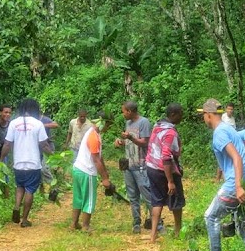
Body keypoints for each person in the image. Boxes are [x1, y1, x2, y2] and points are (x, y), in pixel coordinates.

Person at [195, 98, 245, 251]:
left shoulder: (220, 133)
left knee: (211, 217)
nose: (203, 119)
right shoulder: (227, 129)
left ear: (209, 115)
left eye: (203, 116)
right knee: (243, 224)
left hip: (237, 182)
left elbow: (236, 158)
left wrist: (238, 187)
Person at [0, 98, 52, 227]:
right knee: (30, 190)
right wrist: (54, 156)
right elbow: (44, 145)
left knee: (20, 187)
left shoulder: (13, 123)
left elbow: (7, 144)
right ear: (34, 109)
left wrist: (1, 160)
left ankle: (17, 206)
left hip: (18, 163)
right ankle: (24, 219)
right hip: (33, 163)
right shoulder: (38, 124)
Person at [114, 101, 160, 234]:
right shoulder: (128, 123)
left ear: (129, 111)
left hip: (141, 165)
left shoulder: (144, 122)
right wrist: (121, 142)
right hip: (128, 165)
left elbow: (145, 143)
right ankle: (136, 223)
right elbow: (129, 141)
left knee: (147, 195)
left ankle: (158, 223)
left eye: (124, 111)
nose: (123, 114)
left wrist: (131, 137)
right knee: (133, 196)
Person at [145, 103, 184, 243]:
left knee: (157, 201)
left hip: (151, 167)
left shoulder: (157, 126)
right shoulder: (170, 132)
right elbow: (166, 157)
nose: (182, 116)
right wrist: (170, 181)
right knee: (176, 200)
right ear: (173, 115)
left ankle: (153, 235)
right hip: (165, 170)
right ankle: (178, 231)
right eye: (180, 113)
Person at [71, 115, 113, 232]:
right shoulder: (94, 136)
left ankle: (74, 224)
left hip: (78, 169)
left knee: (78, 198)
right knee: (88, 199)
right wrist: (104, 179)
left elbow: (100, 156)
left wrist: (105, 173)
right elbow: (96, 159)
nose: (107, 129)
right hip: (87, 171)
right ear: (103, 123)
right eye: (108, 126)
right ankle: (85, 226)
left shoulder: (93, 133)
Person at [216, 104, 236, 181]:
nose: (230, 111)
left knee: (228, 159)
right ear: (226, 109)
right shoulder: (223, 117)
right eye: (229, 109)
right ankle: (219, 179)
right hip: (223, 140)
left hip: (231, 141)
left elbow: (234, 130)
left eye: (231, 109)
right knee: (222, 158)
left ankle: (225, 178)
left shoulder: (233, 119)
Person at [39, 112, 59, 190]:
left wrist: (43, 125)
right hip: (37, 148)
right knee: (38, 169)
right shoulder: (32, 119)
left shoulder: (44, 119)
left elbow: (55, 125)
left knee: (44, 168)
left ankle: (54, 188)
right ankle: (41, 189)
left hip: (48, 146)